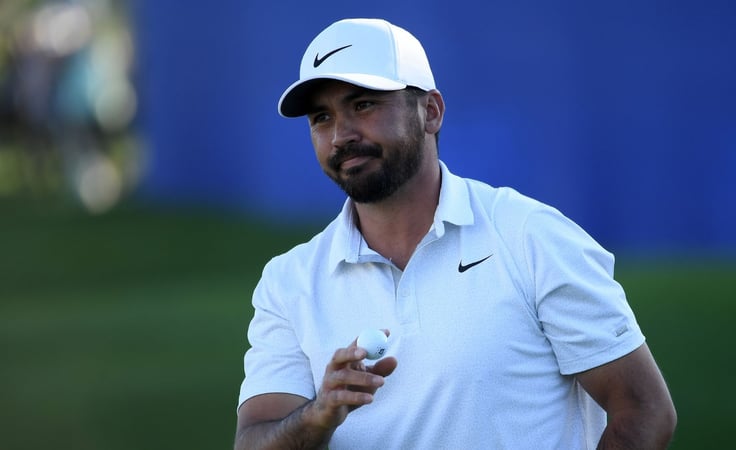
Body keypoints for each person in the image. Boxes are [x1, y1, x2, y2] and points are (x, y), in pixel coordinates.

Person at [235, 18, 677, 449]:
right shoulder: (288, 281)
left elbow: (644, 410)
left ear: (431, 111)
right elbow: (254, 438)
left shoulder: (531, 236)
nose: (341, 136)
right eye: (321, 118)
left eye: (363, 105)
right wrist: (316, 416)